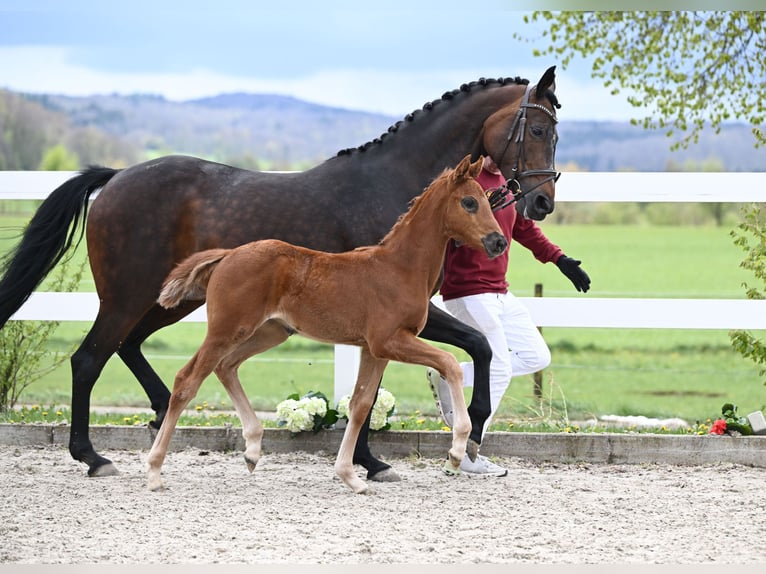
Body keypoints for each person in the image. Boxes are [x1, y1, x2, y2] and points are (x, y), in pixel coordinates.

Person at [428, 154, 591, 476]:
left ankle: (451, 373)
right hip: (468, 290)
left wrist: (560, 260)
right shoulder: (466, 183)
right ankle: (468, 453)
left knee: (535, 356)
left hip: (500, 291)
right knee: (499, 366)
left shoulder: (505, 181)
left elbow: (524, 229)